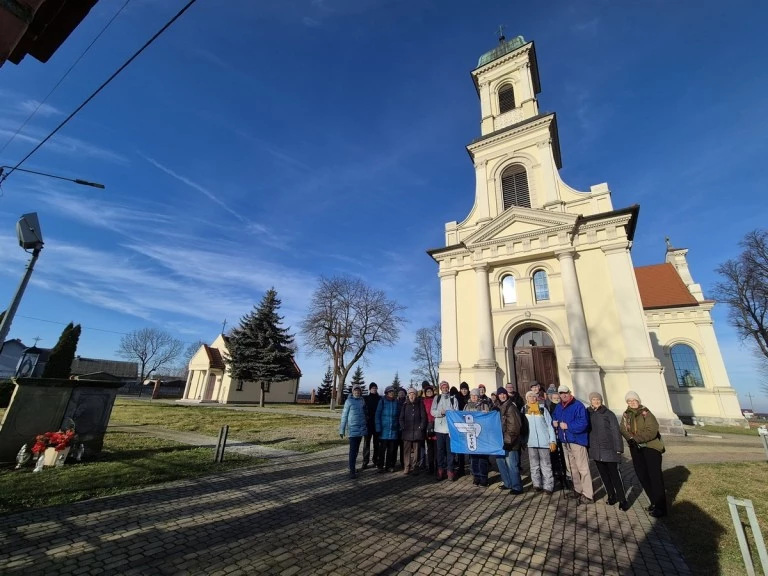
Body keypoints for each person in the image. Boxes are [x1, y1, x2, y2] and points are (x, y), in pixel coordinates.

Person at [620, 391, 667, 517]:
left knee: (655, 477)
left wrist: (635, 439)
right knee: (643, 476)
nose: (632, 402)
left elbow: (652, 430)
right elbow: (623, 429)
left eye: (634, 400)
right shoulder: (626, 415)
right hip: (636, 449)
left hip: (651, 448)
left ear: (638, 401)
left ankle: (661, 507)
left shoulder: (646, 413)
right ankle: (653, 502)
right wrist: (630, 439)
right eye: (629, 401)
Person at [553, 384, 594, 504]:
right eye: (561, 393)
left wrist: (568, 426)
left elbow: (583, 422)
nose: (563, 395)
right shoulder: (559, 406)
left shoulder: (578, 405)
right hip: (565, 441)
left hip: (577, 440)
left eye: (565, 392)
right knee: (572, 468)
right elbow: (554, 416)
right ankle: (577, 489)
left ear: (569, 392)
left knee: (583, 468)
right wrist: (553, 422)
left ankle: (588, 494)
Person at [588, 391, 628, 511]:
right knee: (604, 475)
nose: (596, 401)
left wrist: (619, 448)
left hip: (609, 449)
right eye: (594, 399)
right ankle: (611, 495)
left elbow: (616, 431)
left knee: (615, 475)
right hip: (596, 450)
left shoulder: (608, 414)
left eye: (598, 399)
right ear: (590, 401)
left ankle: (622, 499)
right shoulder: (588, 413)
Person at [523, 390, 556, 494]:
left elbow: (549, 425)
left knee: (546, 465)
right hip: (531, 442)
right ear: (526, 398)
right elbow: (522, 427)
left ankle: (548, 486)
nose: (532, 398)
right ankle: (537, 484)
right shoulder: (524, 409)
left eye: (534, 396)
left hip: (544, 442)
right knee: (534, 465)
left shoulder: (542, 409)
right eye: (530, 396)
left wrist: (552, 440)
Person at [494, 387, 524, 495]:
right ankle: (508, 483)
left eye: (504, 394)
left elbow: (515, 426)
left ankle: (517, 486)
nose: (502, 396)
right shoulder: (500, 407)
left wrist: (508, 441)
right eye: (500, 394)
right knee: (501, 462)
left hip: (511, 441)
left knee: (512, 464)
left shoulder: (511, 407)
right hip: (500, 441)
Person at [431, 380, 459, 480]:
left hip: (450, 429)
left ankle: (450, 471)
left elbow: (456, 412)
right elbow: (432, 412)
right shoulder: (436, 398)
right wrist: (441, 412)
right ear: (441, 388)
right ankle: (440, 470)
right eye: (443, 387)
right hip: (439, 429)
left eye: (446, 387)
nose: (445, 388)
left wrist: (450, 413)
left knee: (450, 451)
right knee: (440, 451)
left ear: (448, 388)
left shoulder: (453, 399)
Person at [465, 388, 493, 486]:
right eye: (472, 395)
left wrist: (486, 413)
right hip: (472, 435)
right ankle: (476, 477)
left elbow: (489, 418)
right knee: (474, 458)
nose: (474, 397)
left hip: (482, 435)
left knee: (483, 457)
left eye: (476, 395)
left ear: (478, 396)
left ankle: (484, 477)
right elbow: (463, 417)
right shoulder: (467, 406)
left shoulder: (484, 405)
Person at [339, 384, 368, 479]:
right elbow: (344, 416)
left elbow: (365, 413)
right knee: (352, 451)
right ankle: (352, 470)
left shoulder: (362, 401)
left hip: (361, 430)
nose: (357, 392)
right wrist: (342, 429)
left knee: (356, 451)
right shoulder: (348, 401)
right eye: (355, 391)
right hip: (352, 430)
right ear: (353, 391)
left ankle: (352, 467)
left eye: (358, 391)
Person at [399, 387, 427, 475]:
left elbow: (423, 417)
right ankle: (407, 466)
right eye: (410, 394)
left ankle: (415, 467)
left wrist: (421, 427)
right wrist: (403, 427)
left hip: (417, 431)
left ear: (416, 395)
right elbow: (401, 418)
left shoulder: (420, 404)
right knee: (406, 450)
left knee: (416, 451)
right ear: (408, 395)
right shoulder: (405, 405)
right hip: (407, 431)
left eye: (413, 394)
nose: (411, 396)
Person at [375, 386, 401, 472]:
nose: (391, 393)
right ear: (386, 393)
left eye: (392, 392)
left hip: (393, 430)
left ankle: (389, 466)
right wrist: (378, 427)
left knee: (391, 450)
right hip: (384, 430)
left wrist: (399, 426)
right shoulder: (382, 401)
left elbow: (399, 416)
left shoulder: (396, 402)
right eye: (390, 392)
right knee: (382, 450)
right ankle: (380, 466)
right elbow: (377, 415)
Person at [362, 382, 381, 470]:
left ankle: (376, 460)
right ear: (370, 389)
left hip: (377, 425)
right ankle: (365, 462)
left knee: (377, 444)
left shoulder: (380, 399)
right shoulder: (365, 398)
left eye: (375, 388)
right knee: (366, 444)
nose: (374, 389)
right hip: (368, 425)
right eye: (372, 388)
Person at [455, 382, 471, 477]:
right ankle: (461, 468)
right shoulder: (457, 398)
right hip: (461, 425)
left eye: (465, 389)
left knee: (470, 445)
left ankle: (472, 467)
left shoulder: (471, 398)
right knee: (461, 448)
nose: (464, 391)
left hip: (469, 425)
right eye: (462, 389)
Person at [422, 384, 437, 474]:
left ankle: (437, 467)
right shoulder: (423, 401)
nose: (429, 392)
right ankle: (430, 467)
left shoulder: (436, 400)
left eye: (430, 391)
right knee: (430, 448)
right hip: (427, 426)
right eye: (427, 391)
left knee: (437, 448)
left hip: (436, 426)